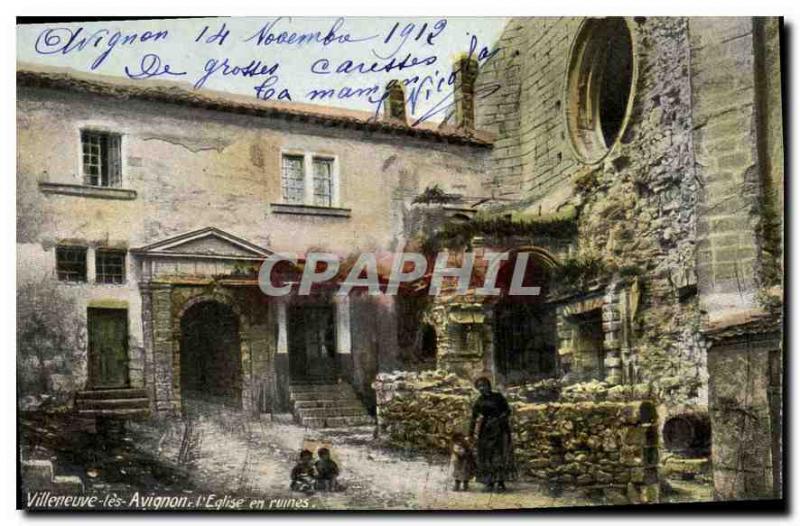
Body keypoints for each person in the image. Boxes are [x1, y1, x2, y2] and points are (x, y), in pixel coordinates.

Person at [469, 377, 516, 492]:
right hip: (486, 430)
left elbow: (507, 411)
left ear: (488, 385)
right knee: (486, 455)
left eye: (483, 385)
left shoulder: (498, 397)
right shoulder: (479, 401)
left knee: (499, 454)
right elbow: (474, 417)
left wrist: (499, 419)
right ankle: (489, 482)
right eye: (479, 386)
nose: (481, 388)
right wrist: (470, 433)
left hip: (500, 429)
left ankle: (500, 482)